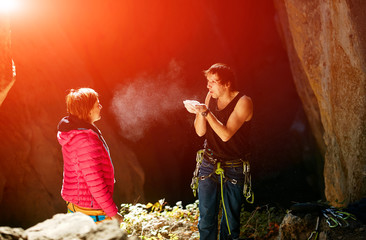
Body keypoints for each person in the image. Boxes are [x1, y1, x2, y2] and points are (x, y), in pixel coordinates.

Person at [184, 63, 253, 240]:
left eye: (213, 82)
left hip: (234, 166)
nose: (208, 86)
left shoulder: (244, 102)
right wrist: (199, 111)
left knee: (230, 223)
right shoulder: (210, 97)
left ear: (227, 84)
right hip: (209, 162)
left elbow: (225, 134)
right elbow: (200, 132)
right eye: (208, 81)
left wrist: (206, 112)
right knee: (206, 219)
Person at [57, 88, 123, 224]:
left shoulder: (73, 133)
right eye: (97, 104)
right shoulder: (86, 141)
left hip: (75, 206)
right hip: (90, 211)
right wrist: (113, 213)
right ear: (88, 110)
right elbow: (95, 182)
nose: (100, 107)